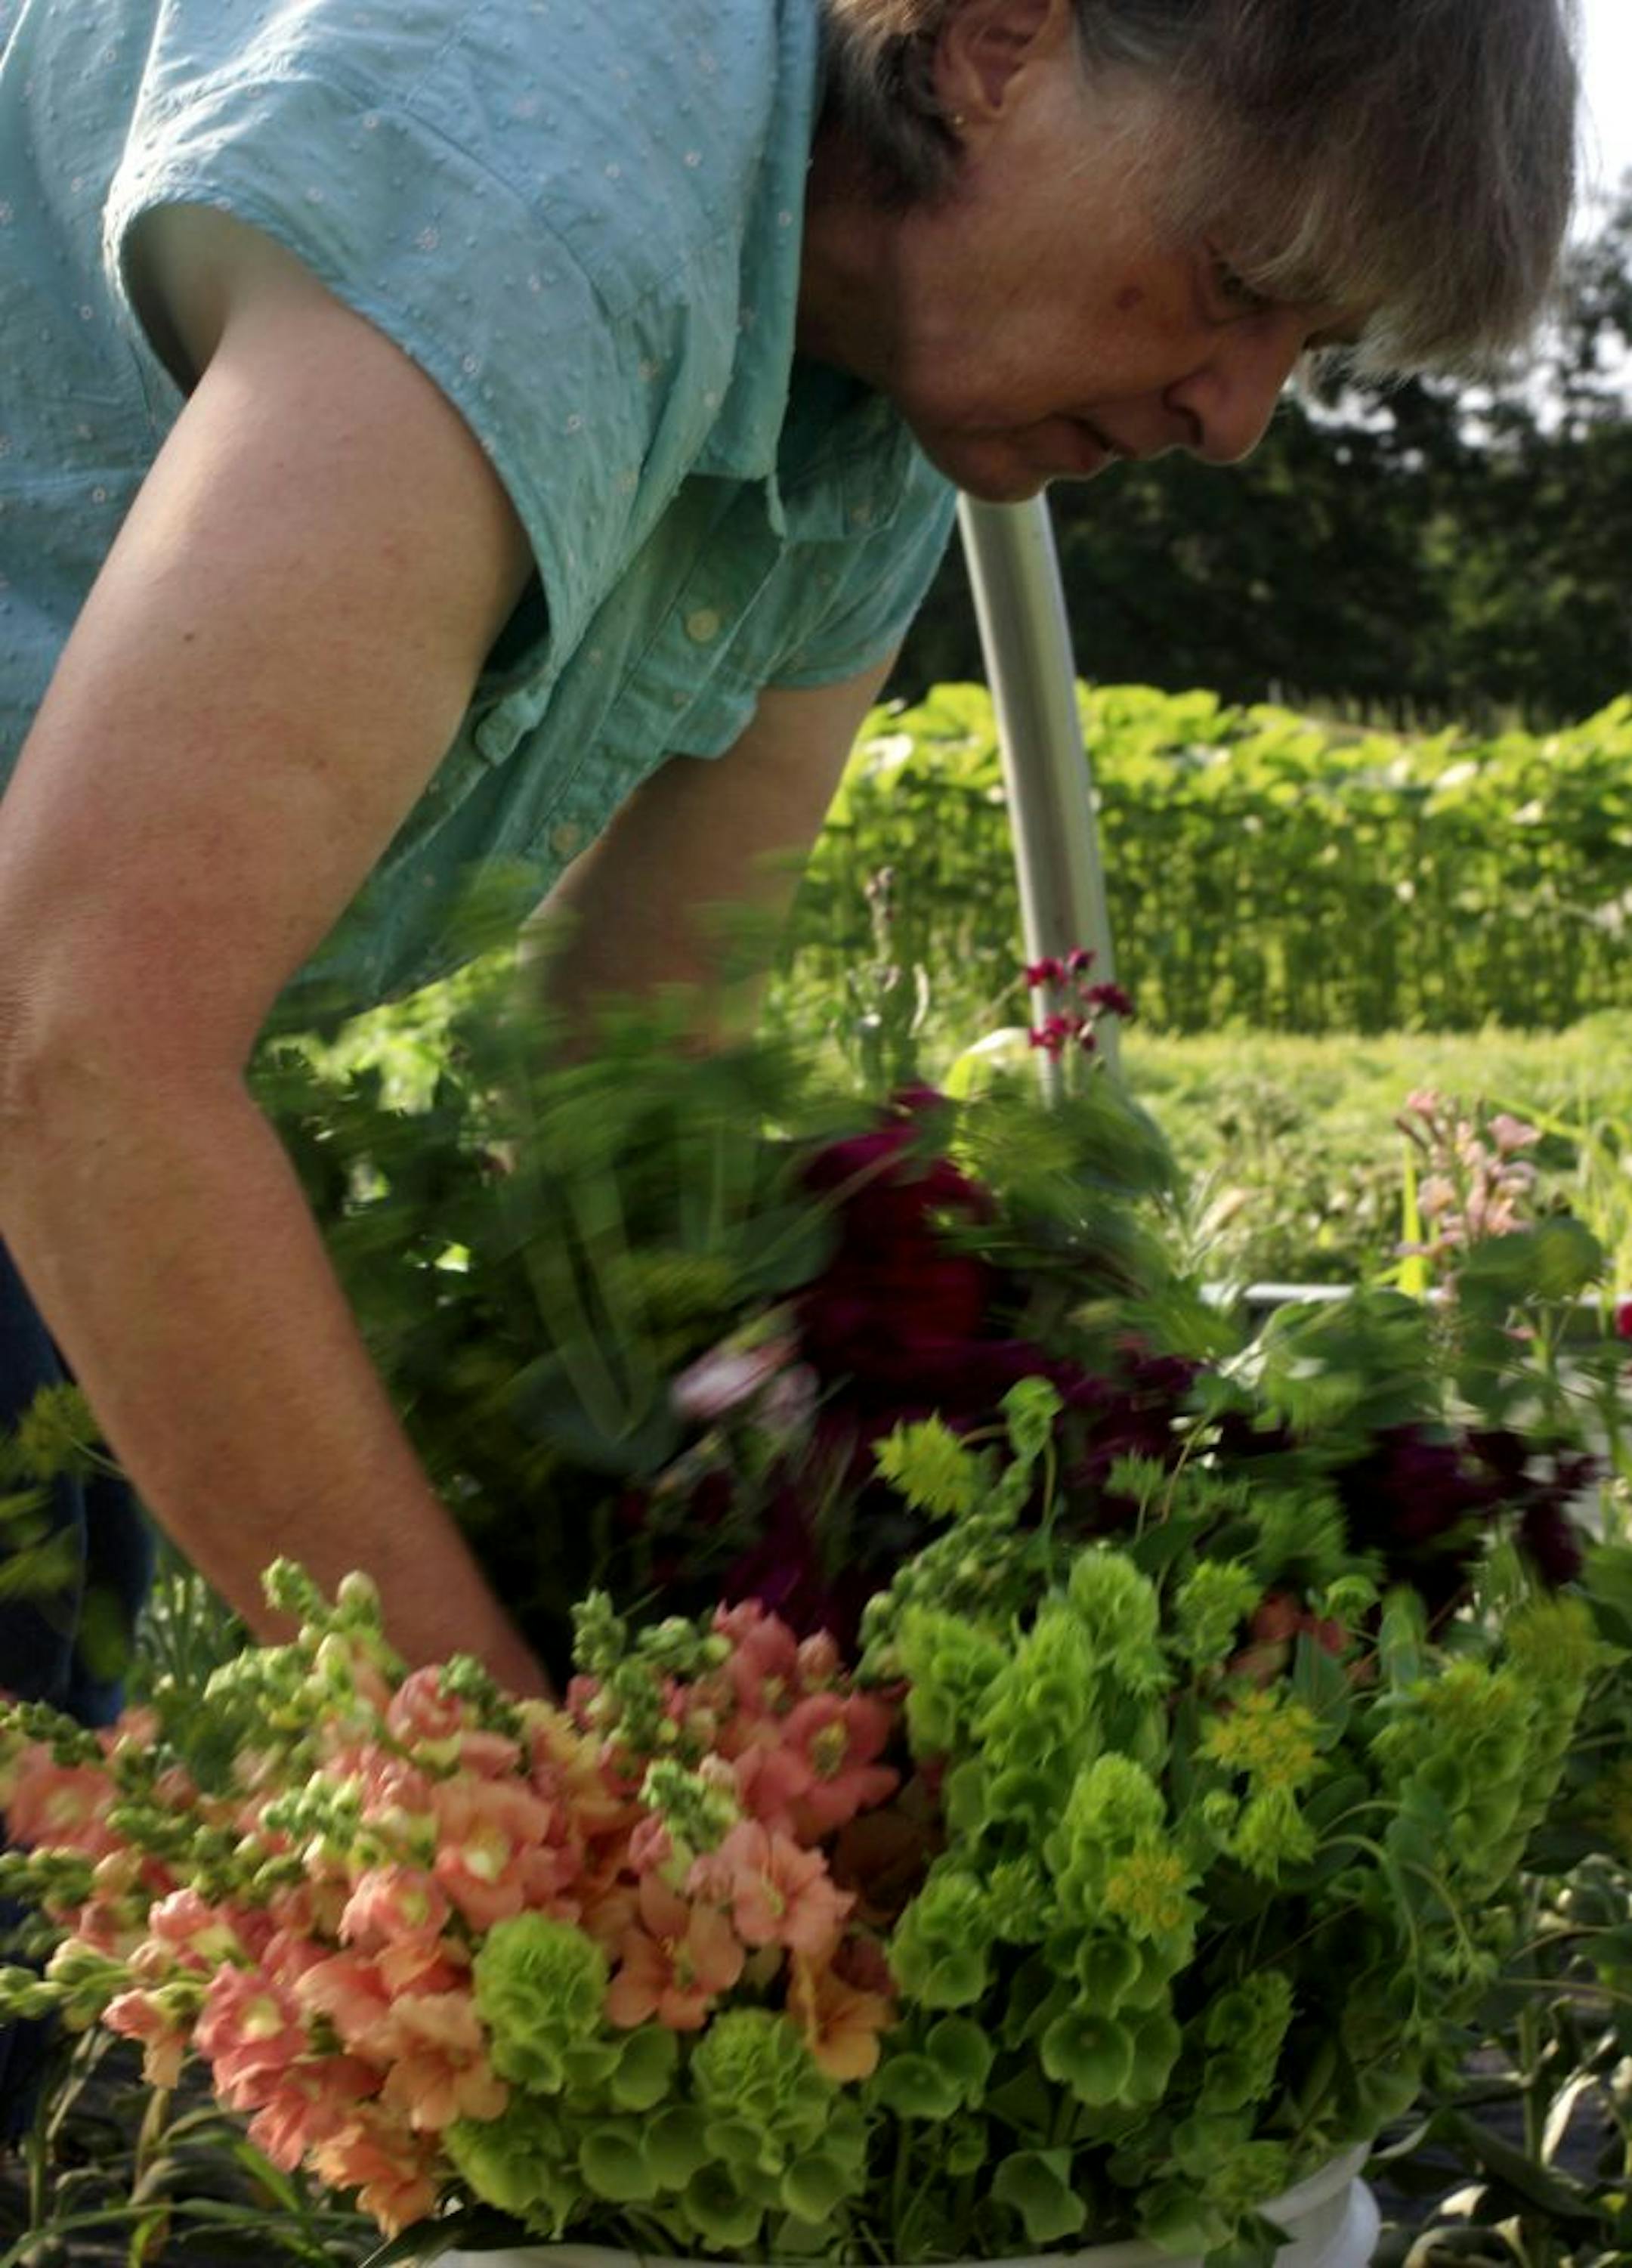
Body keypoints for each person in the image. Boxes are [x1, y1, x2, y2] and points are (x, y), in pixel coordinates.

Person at [0, 0, 1579, 1721]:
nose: (1238, 418)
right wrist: (520, 1785)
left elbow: (630, 1063)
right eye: (1237, 279)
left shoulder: (893, 386)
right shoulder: (542, 198)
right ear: (996, 47)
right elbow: (82, 1049)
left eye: (1311, 345)